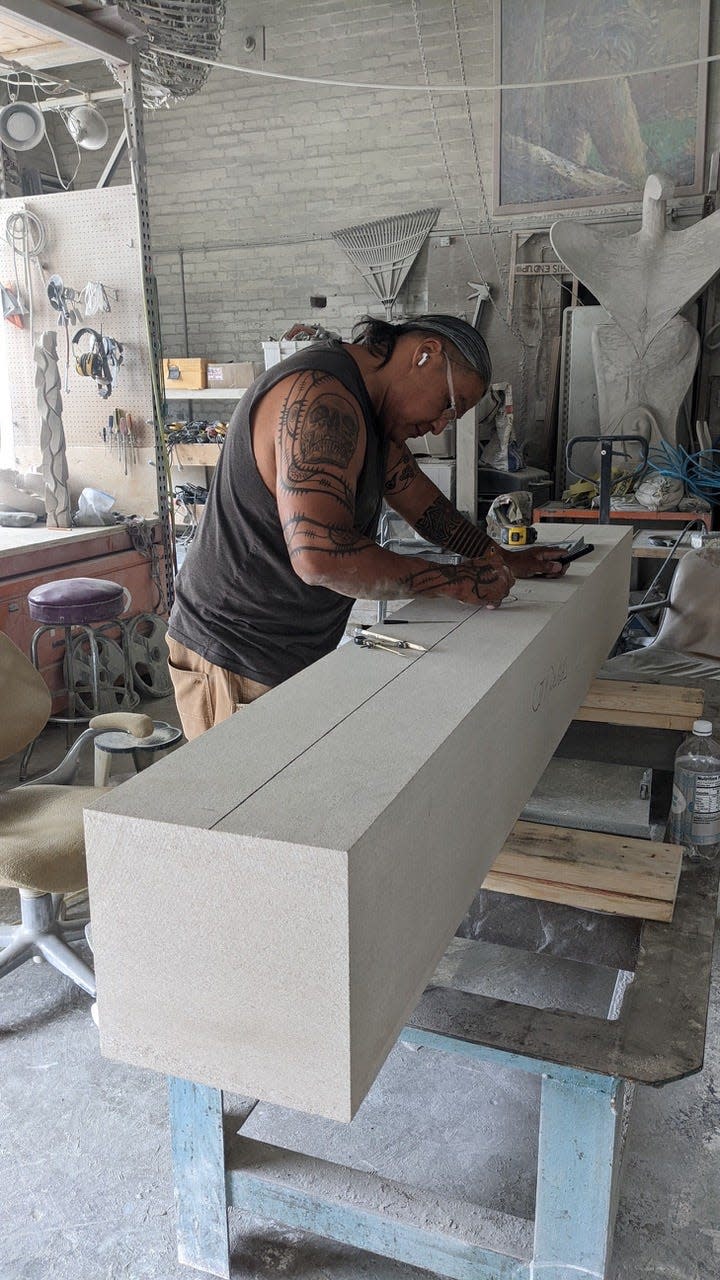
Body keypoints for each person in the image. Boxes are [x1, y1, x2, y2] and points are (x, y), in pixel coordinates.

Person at [167, 314, 565, 739]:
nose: (439, 425)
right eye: (450, 405)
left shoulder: (370, 413)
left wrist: (497, 556)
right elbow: (320, 558)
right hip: (235, 653)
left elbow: (423, 504)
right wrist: (453, 580)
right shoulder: (324, 401)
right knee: (250, 801)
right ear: (425, 355)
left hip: (286, 648)